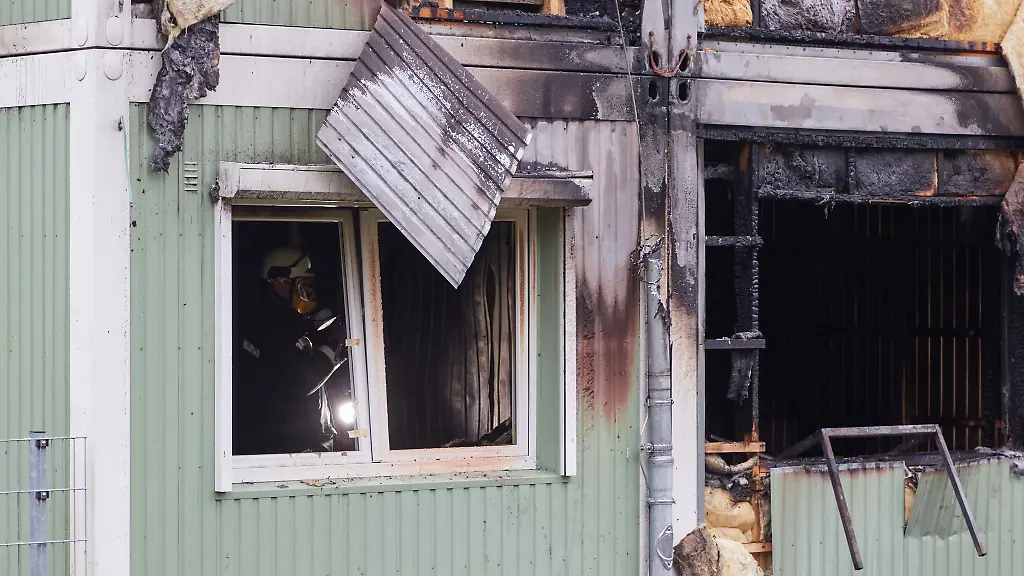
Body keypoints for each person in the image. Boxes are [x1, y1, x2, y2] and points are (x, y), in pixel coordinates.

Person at [232, 246, 349, 455]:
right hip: (285, 452)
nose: (310, 295)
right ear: (282, 282)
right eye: (304, 287)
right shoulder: (262, 327)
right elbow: (297, 381)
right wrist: (333, 350)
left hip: (306, 449)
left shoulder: (291, 325)